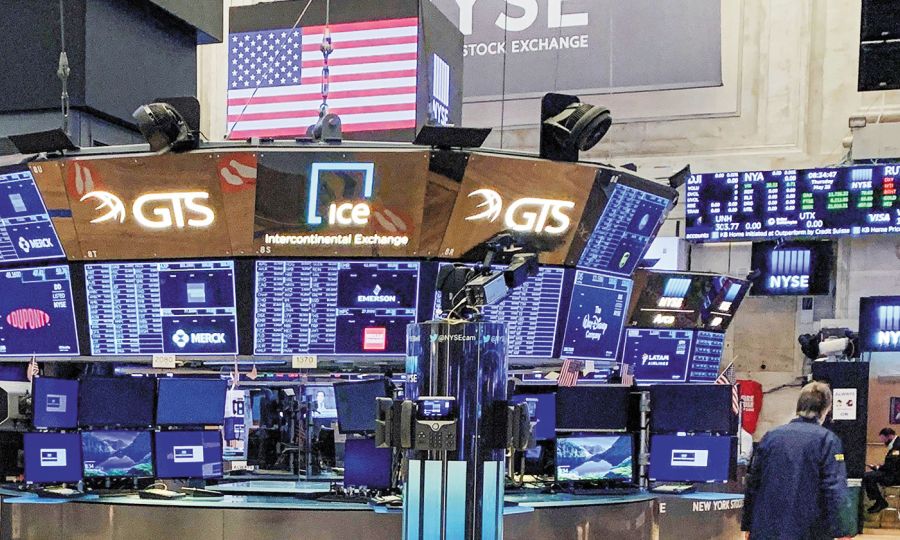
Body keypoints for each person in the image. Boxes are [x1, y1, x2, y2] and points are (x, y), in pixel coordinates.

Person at [742, 381, 851, 540]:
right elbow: (834, 487)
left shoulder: (770, 437)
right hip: (808, 531)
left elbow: (753, 483)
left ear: (798, 406)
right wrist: (842, 530)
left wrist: (748, 524)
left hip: (766, 529)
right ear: (826, 409)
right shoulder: (828, 440)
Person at [864, 427, 900, 514]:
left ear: (890, 436)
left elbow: (892, 465)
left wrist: (878, 468)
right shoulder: (896, 444)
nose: (883, 442)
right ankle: (879, 501)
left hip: (895, 476)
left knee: (867, 476)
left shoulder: (897, 446)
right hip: (893, 473)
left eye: (884, 439)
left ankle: (880, 502)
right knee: (870, 475)